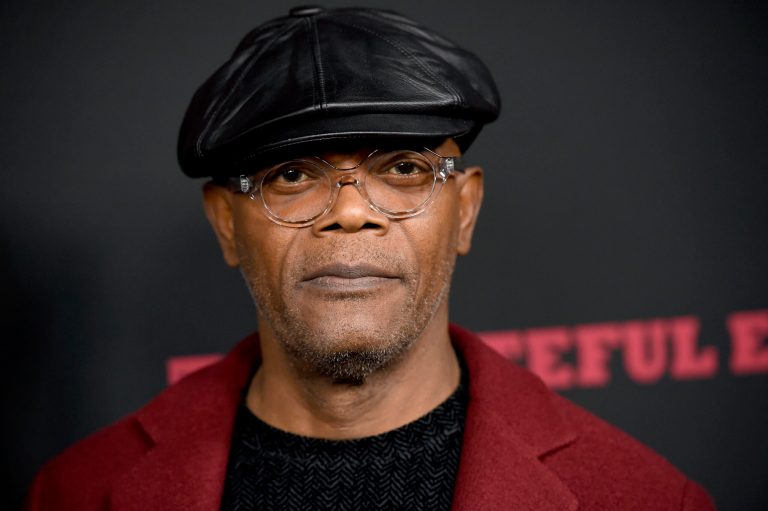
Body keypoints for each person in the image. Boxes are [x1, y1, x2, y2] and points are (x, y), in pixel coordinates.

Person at [25, 6, 714, 510]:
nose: (351, 210)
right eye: (292, 174)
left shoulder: (645, 497)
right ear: (227, 224)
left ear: (465, 209)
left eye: (405, 167)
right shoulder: (77, 492)